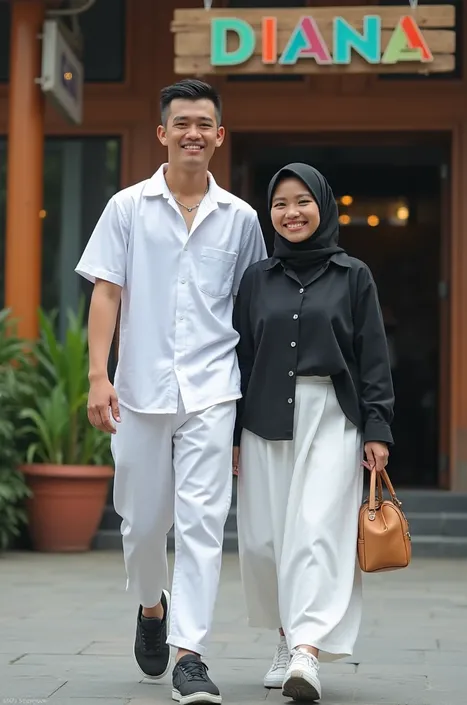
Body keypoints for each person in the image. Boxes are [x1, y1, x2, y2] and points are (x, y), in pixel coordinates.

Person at [75, 79, 267, 705]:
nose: (192, 132)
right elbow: (107, 292)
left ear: (219, 135)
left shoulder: (241, 220)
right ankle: (151, 606)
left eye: (203, 123)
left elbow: (251, 308)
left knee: (203, 526)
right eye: (180, 122)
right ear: (163, 134)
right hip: (138, 390)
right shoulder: (127, 207)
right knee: (142, 522)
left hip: (213, 391)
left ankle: (190, 654)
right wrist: (98, 377)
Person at [232, 163, 394, 702]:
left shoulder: (354, 275)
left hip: (331, 416)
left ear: (322, 206)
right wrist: (232, 434)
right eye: (280, 204)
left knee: (317, 532)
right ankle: (284, 636)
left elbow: (373, 355)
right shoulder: (257, 279)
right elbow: (242, 356)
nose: (291, 213)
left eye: (302, 201)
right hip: (263, 417)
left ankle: (307, 651)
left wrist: (378, 428)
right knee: (265, 540)